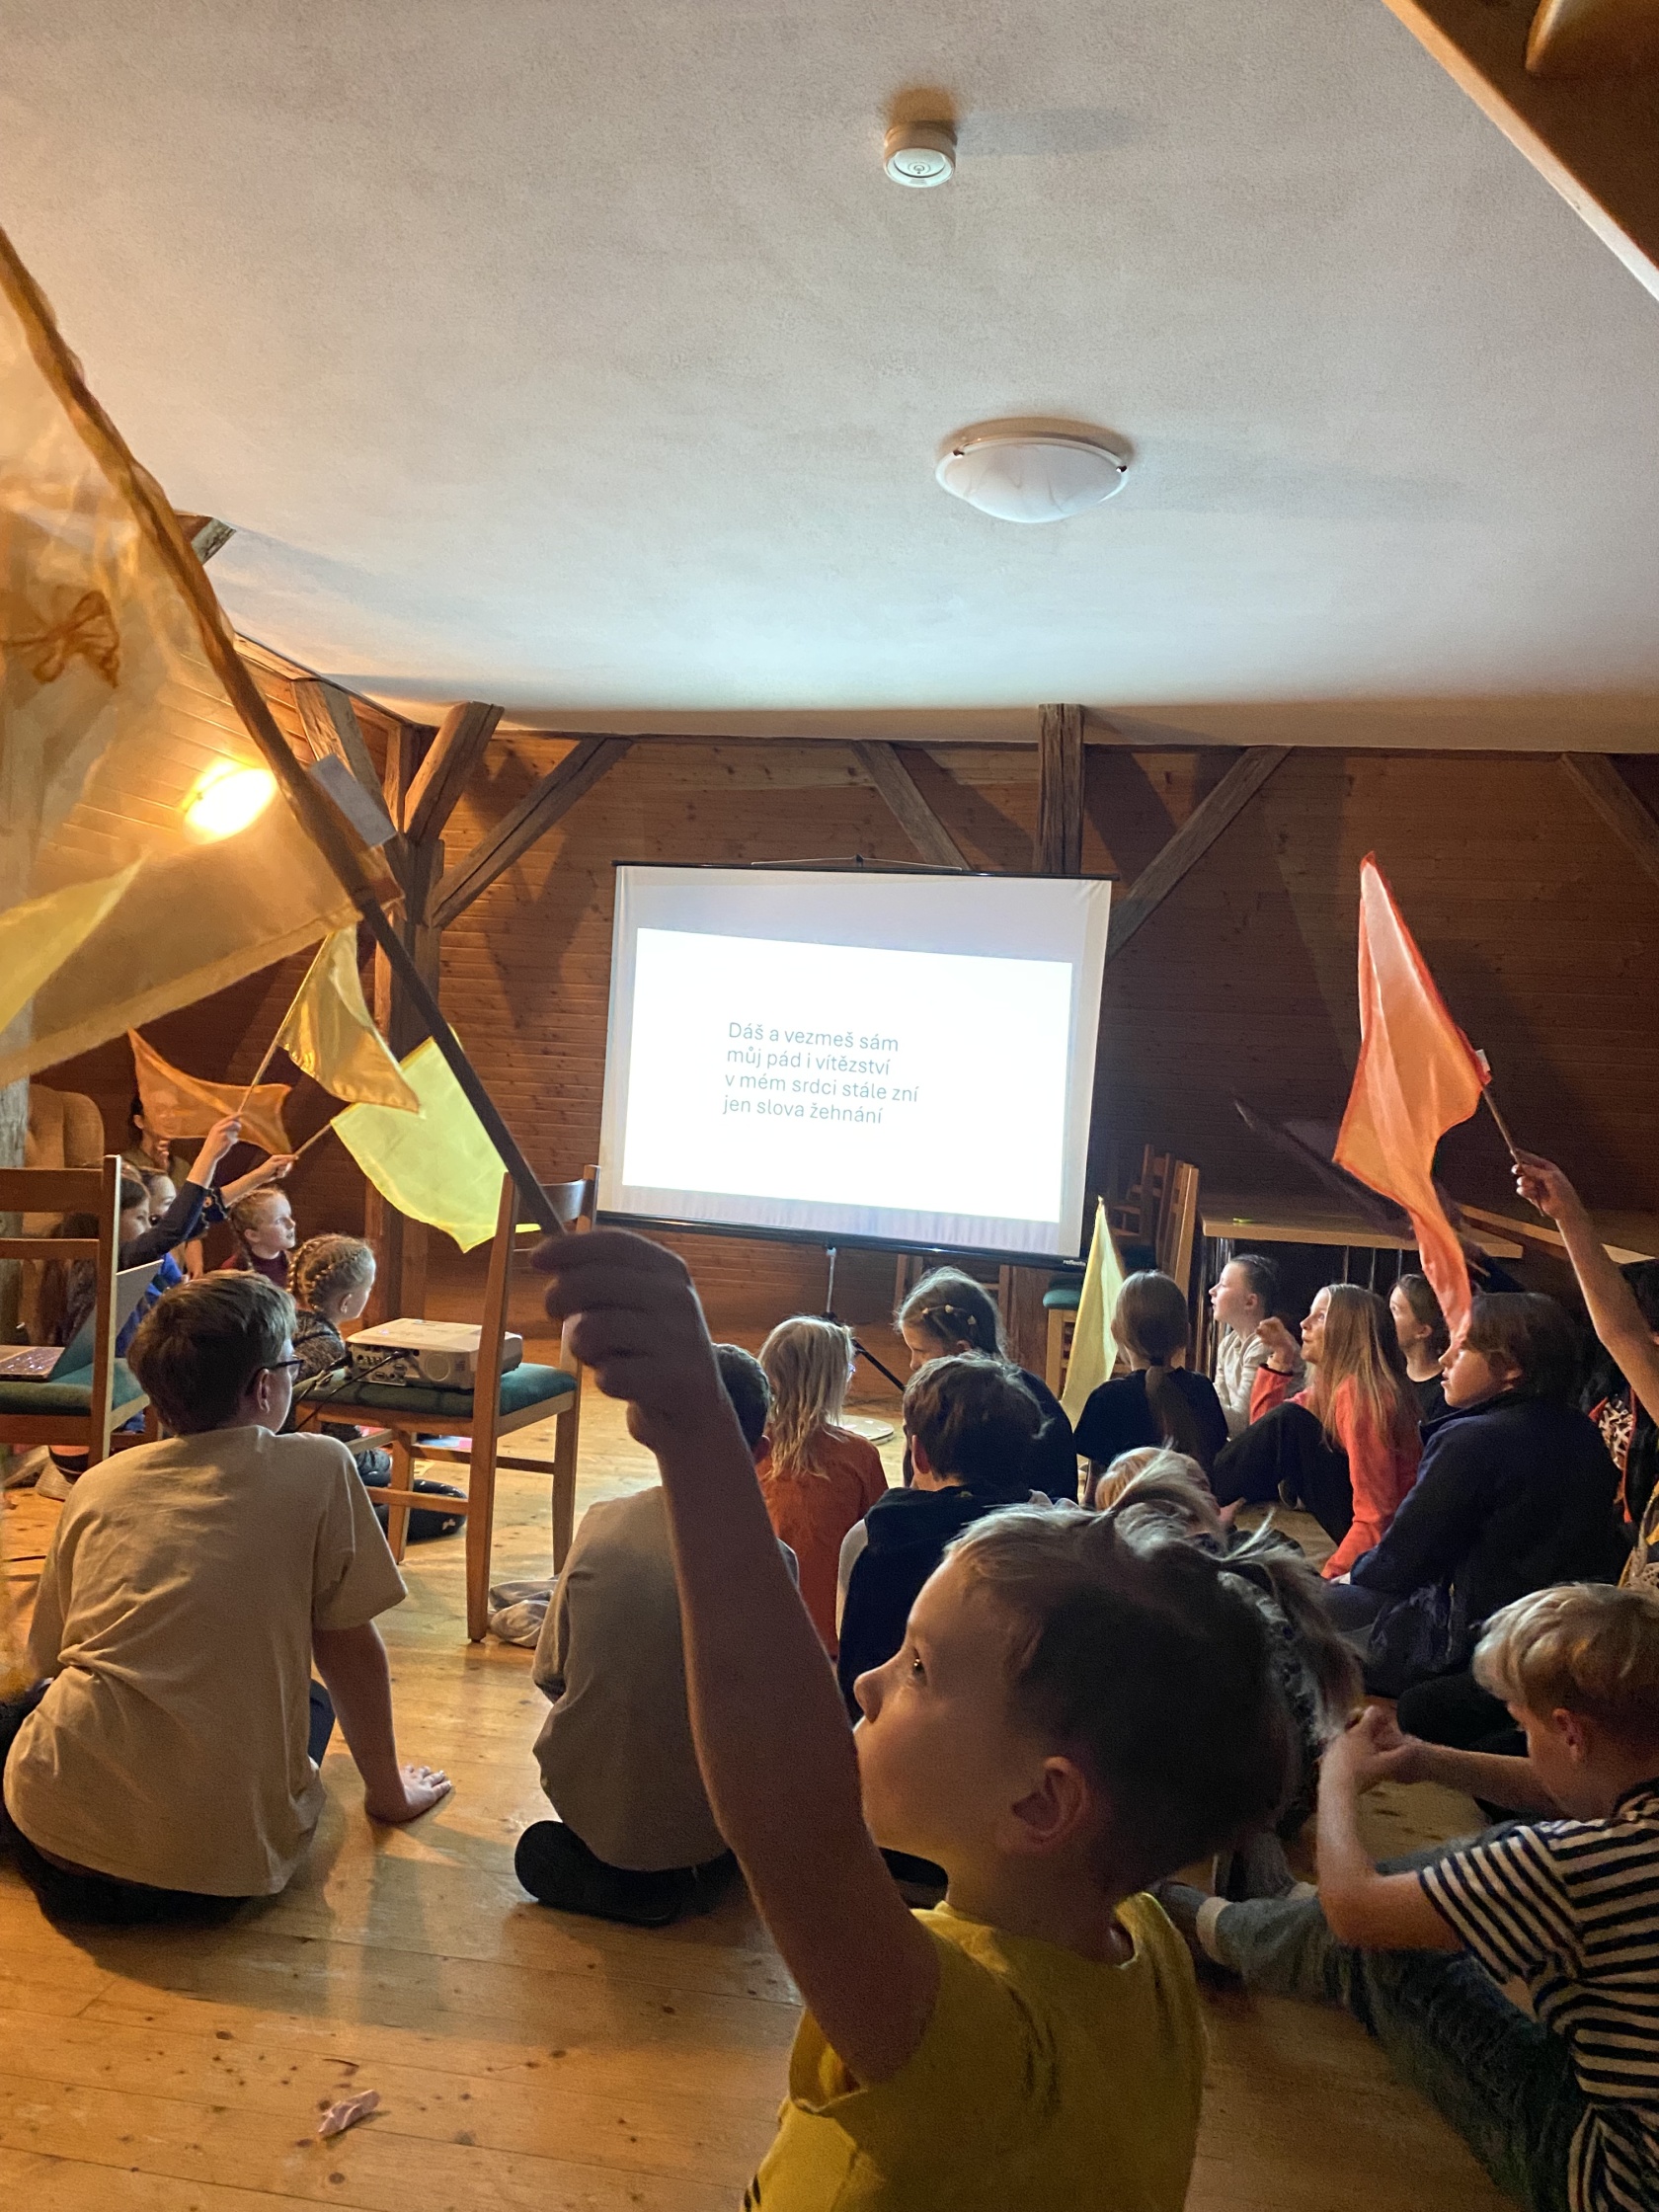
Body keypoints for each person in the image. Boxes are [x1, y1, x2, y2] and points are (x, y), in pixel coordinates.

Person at [534, 1225, 1295, 2212]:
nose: (866, 1684)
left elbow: (791, 1821)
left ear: (1042, 1802)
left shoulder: (976, 2046)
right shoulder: (1140, 1938)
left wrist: (695, 1432)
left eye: (922, 1669)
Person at [1160, 1582, 1659, 2212]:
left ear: (1569, 1732)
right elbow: (1565, 1791)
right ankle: (1282, 1909)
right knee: (1497, 1854)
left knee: (1378, 1949)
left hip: (1614, 2179)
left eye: (1524, 1727)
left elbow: (1355, 1914)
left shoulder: (1579, 1865)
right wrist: (1423, 1760)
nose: (1525, 1741)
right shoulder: (1633, 1793)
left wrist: (1336, 1780)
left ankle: (1214, 1928)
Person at [0, 1274, 448, 1924]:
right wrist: (390, 1796)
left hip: (55, 1847)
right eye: (291, 1367)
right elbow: (350, 1648)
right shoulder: (321, 1465)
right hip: (217, 1875)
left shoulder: (98, 1483)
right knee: (314, 1704)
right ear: (264, 1387)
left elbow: (46, 1663)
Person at [516, 1345, 788, 1928]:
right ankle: (682, 1880)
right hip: (708, 1822)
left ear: (650, 1434)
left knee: (547, 1844)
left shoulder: (600, 1525)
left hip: (588, 1797)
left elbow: (550, 1674)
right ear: (760, 1452)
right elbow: (772, 1716)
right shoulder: (775, 1563)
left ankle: (619, 1872)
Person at [1327, 1292, 1626, 1701]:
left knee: (1296, 1609)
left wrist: (1349, 1576)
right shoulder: (1582, 1431)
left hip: (1472, 1640)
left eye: (1463, 1347)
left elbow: (1403, 1560)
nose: (1445, 1358)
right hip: (1551, 1633)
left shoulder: (1471, 1439)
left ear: (1511, 1369)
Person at [836, 1354, 1043, 1716]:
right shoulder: (1053, 1528)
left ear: (918, 1455)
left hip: (902, 1725)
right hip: (1017, 1725)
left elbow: (852, 1653)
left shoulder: (870, 1536)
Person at [1213, 1283, 1420, 1581]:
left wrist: (1328, 1583)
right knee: (1287, 1421)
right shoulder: (1334, 1386)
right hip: (1374, 1534)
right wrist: (1282, 1357)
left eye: (1321, 1317)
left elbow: (1377, 1513)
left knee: (1289, 1420)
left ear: (1349, 1332)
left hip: (1392, 1549)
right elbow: (1266, 1442)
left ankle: (1197, 1501)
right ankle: (1200, 1501)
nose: (1304, 1324)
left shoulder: (1362, 1394)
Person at [756, 1316, 888, 1657]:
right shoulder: (859, 1455)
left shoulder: (749, 1446)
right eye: (848, 1369)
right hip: (834, 1634)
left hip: (759, 1628)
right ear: (831, 1382)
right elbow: (878, 1539)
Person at [897, 1267, 1078, 1500]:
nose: (913, 1364)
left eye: (920, 1351)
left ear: (962, 1350)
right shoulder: (1026, 1391)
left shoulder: (987, 1410)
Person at [1073, 1271, 1229, 1478]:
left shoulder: (1106, 1398)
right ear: (1186, 1333)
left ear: (1115, 1331)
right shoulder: (1202, 1390)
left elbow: (1095, 1492)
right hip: (1191, 1500)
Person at [1210, 1253, 1302, 1436]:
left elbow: (1242, 1423)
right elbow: (1219, 1402)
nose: (1212, 1290)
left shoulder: (1265, 1346)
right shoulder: (1228, 1344)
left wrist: (1193, 1398)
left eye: (1223, 1285)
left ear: (1250, 1302)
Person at [1389, 1273, 1450, 1422]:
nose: (1386, 1317)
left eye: (1395, 1310)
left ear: (1422, 1331)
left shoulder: (1445, 1391)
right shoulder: (1389, 1371)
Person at [222, 1186, 297, 1289]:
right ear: (253, 1235)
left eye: (289, 1215)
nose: (292, 1224)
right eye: (279, 1221)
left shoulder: (296, 1263)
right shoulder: (233, 1274)